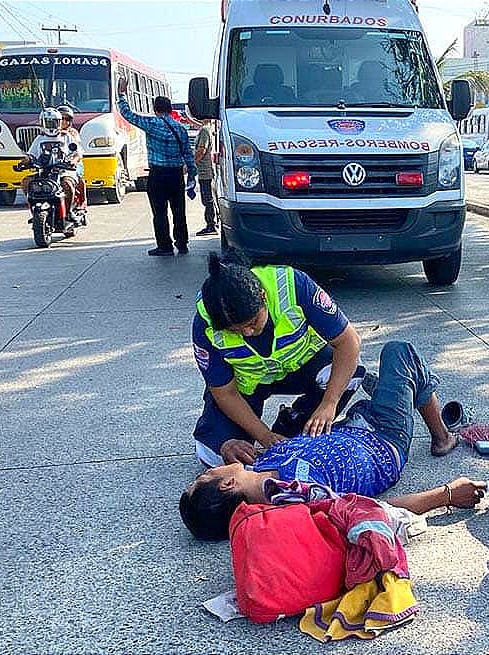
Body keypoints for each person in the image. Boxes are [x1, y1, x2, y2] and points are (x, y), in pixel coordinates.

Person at [180, 340, 468, 541]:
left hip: (341, 429)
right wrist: (448, 494)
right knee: (399, 352)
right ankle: (441, 436)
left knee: (367, 378)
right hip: (383, 437)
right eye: (204, 477)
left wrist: (229, 445)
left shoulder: (253, 470)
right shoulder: (299, 500)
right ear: (228, 485)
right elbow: (376, 510)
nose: (208, 470)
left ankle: (389, 389)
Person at [193, 250, 367, 467]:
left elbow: (348, 343)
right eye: (235, 330)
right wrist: (263, 435)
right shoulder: (205, 321)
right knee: (216, 456)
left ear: (263, 297)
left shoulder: (293, 285)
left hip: (300, 368)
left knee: (349, 374)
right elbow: (224, 392)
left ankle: (294, 424)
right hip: (245, 386)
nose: (247, 332)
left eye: (253, 322)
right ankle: (253, 439)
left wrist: (329, 403)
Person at [116, 76, 197, 256]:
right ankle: (182, 243)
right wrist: (191, 176)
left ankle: (165, 246)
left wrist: (122, 94)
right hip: (176, 175)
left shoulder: (152, 124)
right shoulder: (181, 128)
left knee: (159, 212)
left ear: (155, 109)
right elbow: (189, 156)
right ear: (169, 109)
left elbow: (128, 114)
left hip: (158, 175)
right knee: (179, 211)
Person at [19, 108, 81, 225]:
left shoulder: (66, 137)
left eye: (54, 122)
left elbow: (77, 153)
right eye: (49, 122)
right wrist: (23, 163)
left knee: (67, 184)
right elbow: (31, 155)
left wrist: (73, 161)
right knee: (26, 182)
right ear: (42, 123)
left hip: (63, 171)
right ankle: (34, 212)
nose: (51, 125)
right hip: (44, 172)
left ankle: (68, 212)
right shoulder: (39, 139)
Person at [57, 105, 87, 212]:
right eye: (62, 119)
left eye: (67, 119)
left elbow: (77, 149)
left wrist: (73, 161)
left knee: (78, 177)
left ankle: (83, 201)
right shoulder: (49, 133)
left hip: (71, 162)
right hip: (55, 163)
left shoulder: (72, 133)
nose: (64, 122)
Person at [193, 118, 217, 236]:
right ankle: (212, 223)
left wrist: (191, 164)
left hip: (205, 171)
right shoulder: (207, 129)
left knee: (207, 199)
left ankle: (210, 225)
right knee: (208, 198)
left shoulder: (204, 130)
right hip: (205, 171)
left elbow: (202, 150)